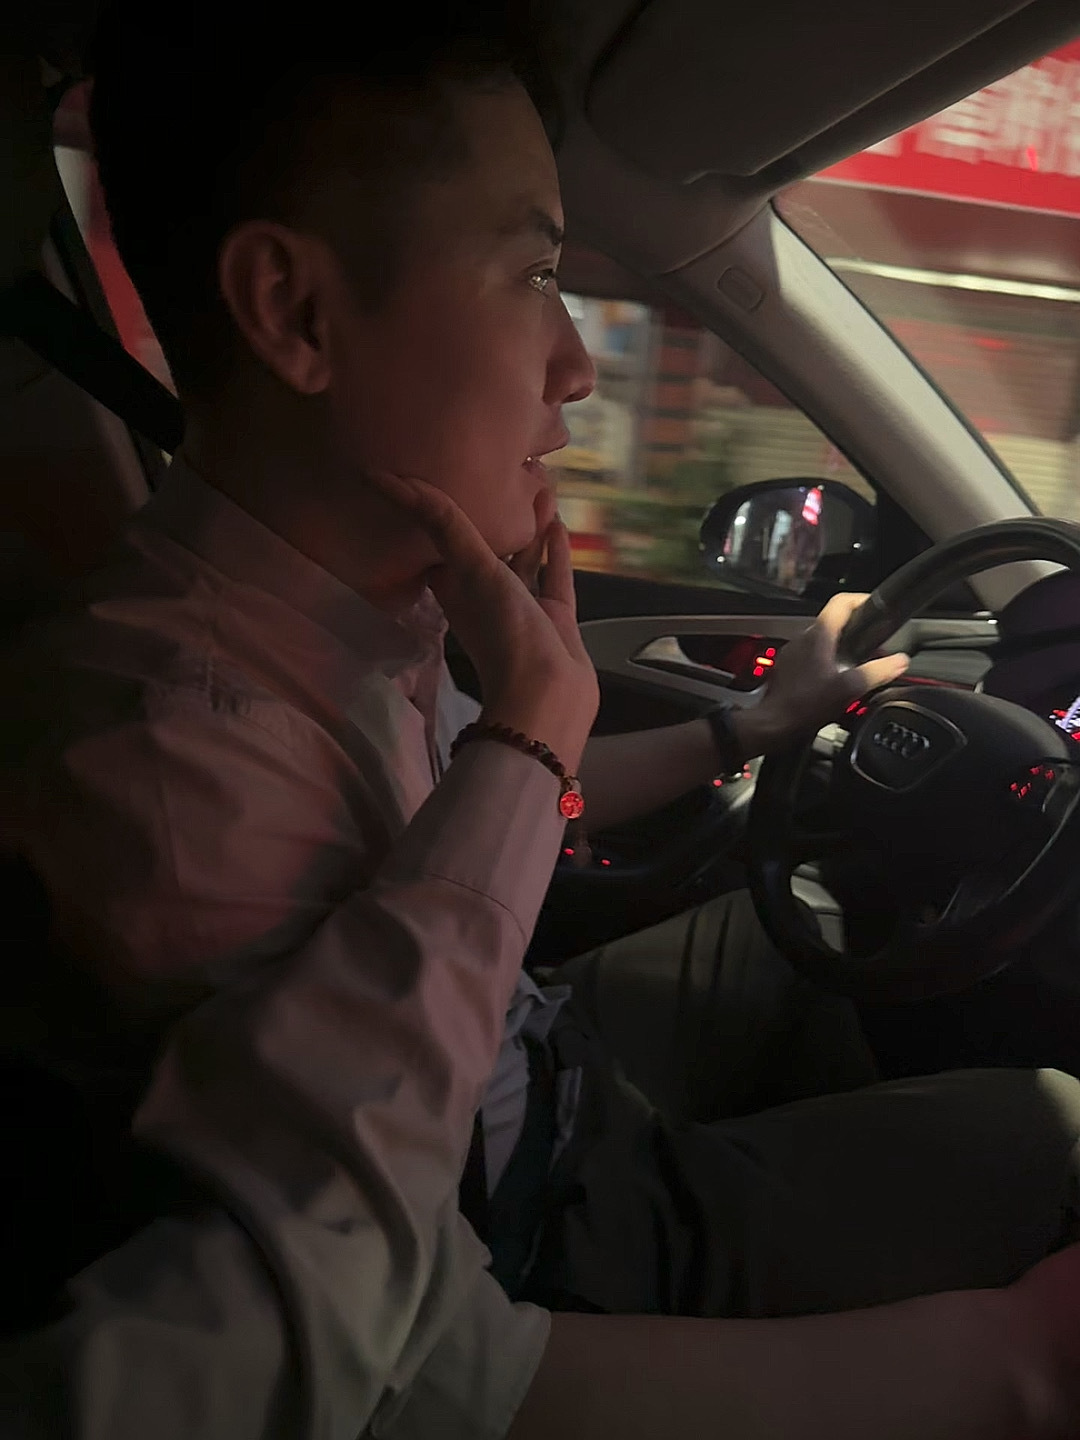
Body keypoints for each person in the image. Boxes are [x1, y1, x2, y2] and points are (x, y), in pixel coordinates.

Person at [4, 4, 1080, 1437]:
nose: (576, 363)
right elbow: (421, 1372)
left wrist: (746, 732)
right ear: (296, 313)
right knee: (1050, 1133)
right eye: (535, 273)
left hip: (550, 1083)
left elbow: (514, 815)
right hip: (545, 1226)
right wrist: (1013, 1364)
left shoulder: (339, 611)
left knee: (786, 949)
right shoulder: (173, 778)